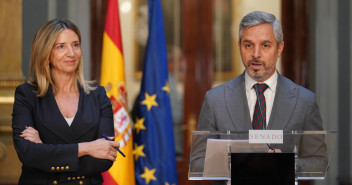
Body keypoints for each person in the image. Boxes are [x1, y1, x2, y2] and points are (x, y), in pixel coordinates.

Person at [192, 11, 327, 184]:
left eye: (265, 45)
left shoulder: (304, 101)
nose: (256, 54)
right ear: (239, 46)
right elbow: (197, 162)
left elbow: (319, 161)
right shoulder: (215, 100)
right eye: (248, 45)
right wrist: (235, 164)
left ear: (279, 48)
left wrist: (286, 164)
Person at [12, 18, 120, 185]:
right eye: (61, 46)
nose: (71, 53)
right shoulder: (27, 95)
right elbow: (27, 153)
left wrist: (44, 148)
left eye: (75, 45)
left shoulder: (99, 96)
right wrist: (88, 148)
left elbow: (106, 158)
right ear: (46, 53)